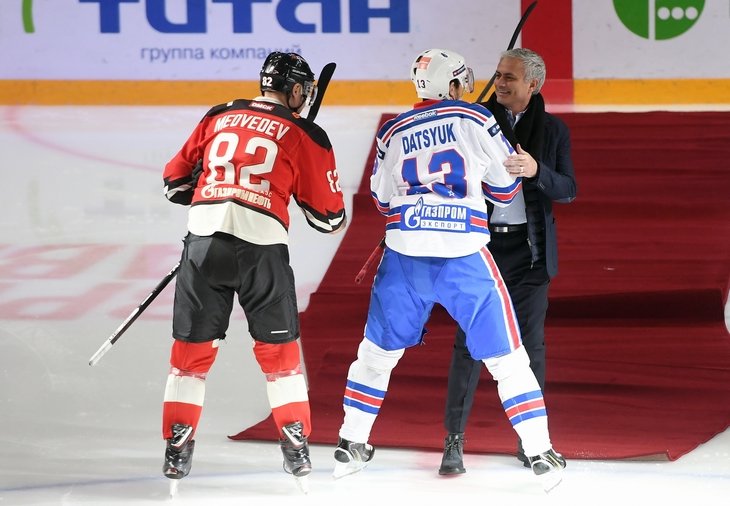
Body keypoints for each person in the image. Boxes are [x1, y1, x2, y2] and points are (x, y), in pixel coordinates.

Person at [333, 48, 565, 491]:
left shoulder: (391, 130)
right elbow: (505, 189)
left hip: (403, 257)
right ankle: (540, 451)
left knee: (376, 356)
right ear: (454, 84)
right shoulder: (476, 118)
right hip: (462, 255)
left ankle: (351, 441)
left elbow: (381, 200)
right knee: (508, 358)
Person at [159, 52, 347, 490]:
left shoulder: (220, 114)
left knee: (190, 356)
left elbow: (174, 184)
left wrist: (214, 187)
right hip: (262, 250)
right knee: (280, 358)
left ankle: (176, 449)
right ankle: (296, 448)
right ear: (297, 90)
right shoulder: (306, 133)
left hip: (203, 244)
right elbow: (329, 219)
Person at [439, 48, 577, 475]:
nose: (499, 82)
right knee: (468, 344)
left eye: (509, 78)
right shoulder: (475, 120)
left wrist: (536, 170)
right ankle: (453, 441)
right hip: (480, 249)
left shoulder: (553, 131)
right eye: (498, 75)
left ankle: (531, 442)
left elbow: (568, 189)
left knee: (530, 346)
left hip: (530, 253)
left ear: (532, 85)